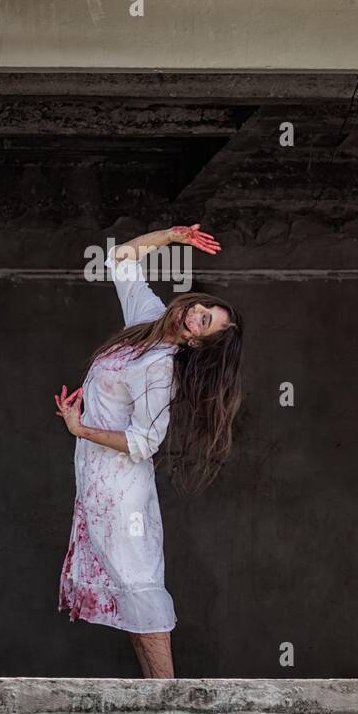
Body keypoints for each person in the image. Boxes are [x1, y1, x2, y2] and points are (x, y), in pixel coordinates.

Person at [54, 224, 244, 678]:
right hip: (97, 482)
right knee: (126, 586)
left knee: (138, 583)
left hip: (123, 490)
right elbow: (120, 259)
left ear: (198, 343)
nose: (197, 313)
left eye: (205, 323)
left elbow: (144, 443)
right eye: (204, 307)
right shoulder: (147, 321)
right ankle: (157, 695)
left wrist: (81, 429)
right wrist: (172, 235)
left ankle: (168, 697)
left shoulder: (160, 369)